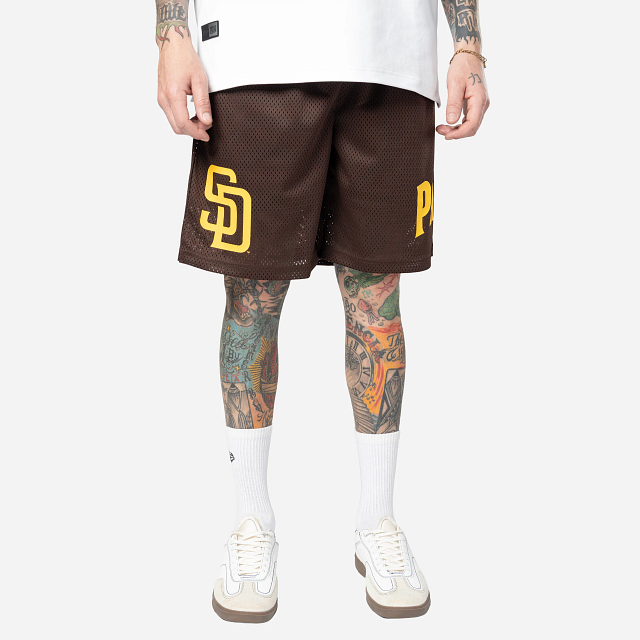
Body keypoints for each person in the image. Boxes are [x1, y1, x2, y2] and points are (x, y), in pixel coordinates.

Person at [156, 0, 489, 623]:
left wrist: (467, 44)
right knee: (252, 300)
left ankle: (377, 519)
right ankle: (252, 522)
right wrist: (172, 35)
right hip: (254, 54)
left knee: (377, 302)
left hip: (391, 55)